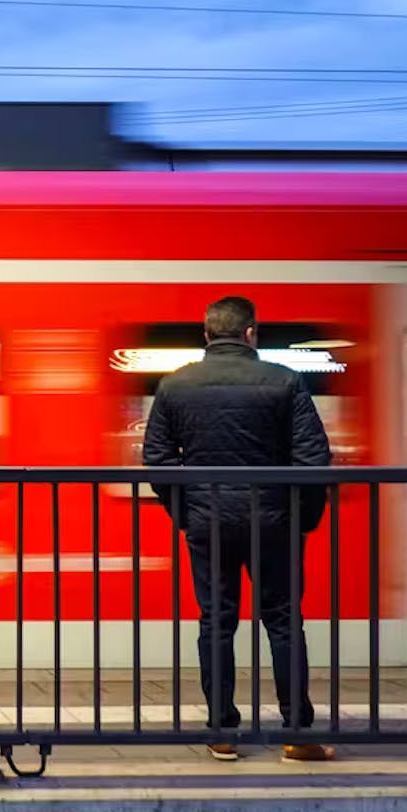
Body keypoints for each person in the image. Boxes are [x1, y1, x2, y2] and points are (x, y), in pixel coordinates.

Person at [142, 297, 335, 763]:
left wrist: (187, 511)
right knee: (284, 621)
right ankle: (295, 732)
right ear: (251, 333)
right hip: (274, 522)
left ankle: (223, 731)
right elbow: (314, 460)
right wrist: (301, 519)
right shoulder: (285, 381)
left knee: (216, 621)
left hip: (208, 523)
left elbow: (158, 460)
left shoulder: (175, 385)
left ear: (207, 335)